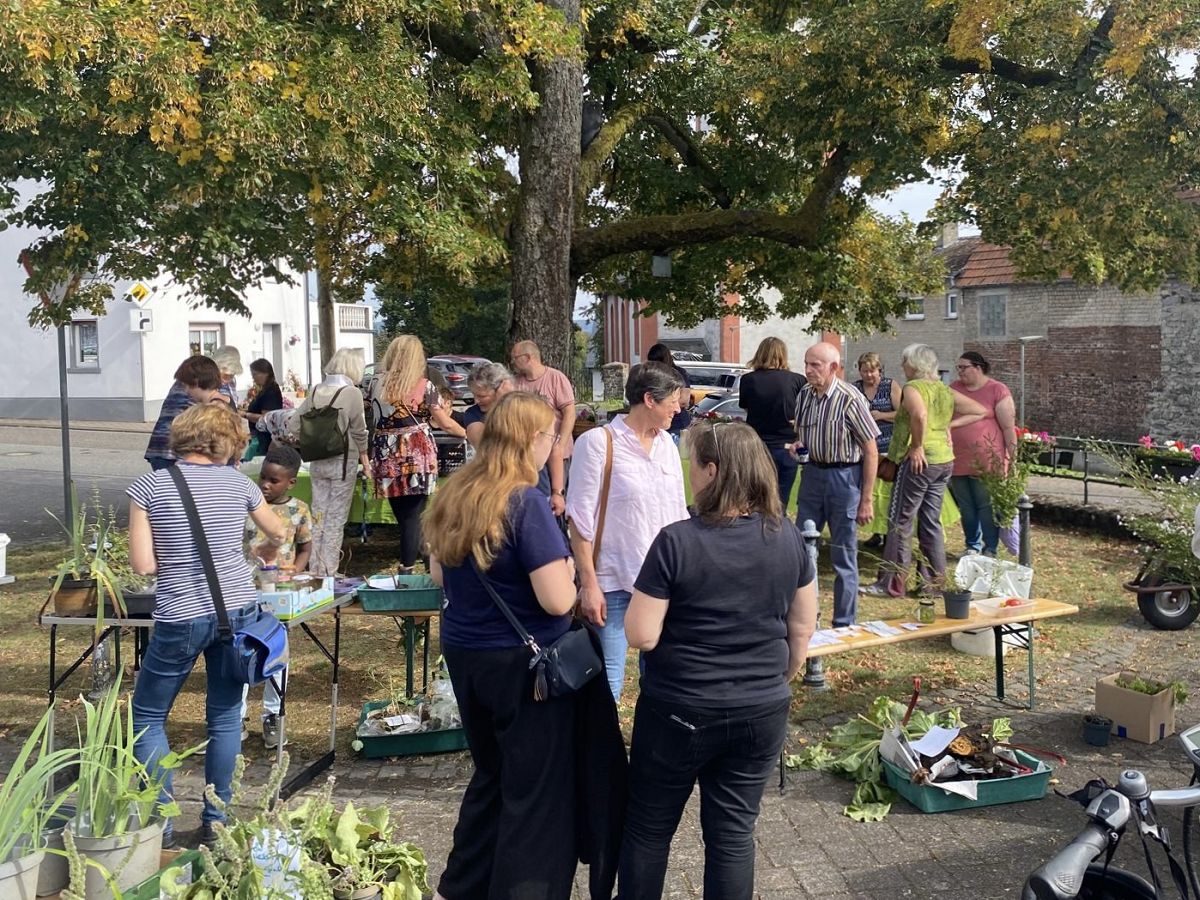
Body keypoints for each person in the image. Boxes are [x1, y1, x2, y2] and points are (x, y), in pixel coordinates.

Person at [620, 420, 817, 899]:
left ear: (712, 471)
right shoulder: (787, 536)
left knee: (648, 828)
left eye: (694, 465)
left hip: (680, 707)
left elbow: (641, 634)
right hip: (761, 706)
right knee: (732, 836)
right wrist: (778, 677)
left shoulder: (677, 541)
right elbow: (803, 626)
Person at [424, 392, 582, 899]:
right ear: (532, 439)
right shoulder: (525, 501)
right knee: (534, 789)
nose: (554, 447)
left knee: (490, 773)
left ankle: (464, 884)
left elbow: (437, 574)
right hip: (525, 665)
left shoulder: (457, 491)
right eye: (552, 437)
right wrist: (575, 575)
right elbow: (557, 601)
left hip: (467, 652)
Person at [127, 402, 288, 846]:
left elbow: (142, 564)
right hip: (235, 611)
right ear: (225, 444)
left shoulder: (150, 486)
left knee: (147, 717)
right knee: (222, 717)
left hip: (179, 613)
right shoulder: (240, 484)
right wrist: (260, 552)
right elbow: (278, 532)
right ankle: (217, 821)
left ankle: (159, 824)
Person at [567, 362, 689, 702]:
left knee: (664, 681)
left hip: (663, 584)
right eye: (673, 402)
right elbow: (579, 521)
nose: (678, 409)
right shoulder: (596, 443)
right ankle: (603, 755)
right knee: (609, 686)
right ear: (649, 400)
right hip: (614, 584)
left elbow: (677, 512)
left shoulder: (667, 443)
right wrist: (589, 584)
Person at [862, 345, 985, 598]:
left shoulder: (913, 387)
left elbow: (918, 414)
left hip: (919, 462)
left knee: (900, 521)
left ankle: (892, 584)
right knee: (930, 522)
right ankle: (932, 585)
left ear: (914, 365)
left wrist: (917, 446)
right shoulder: (944, 389)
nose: (903, 366)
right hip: (943, 461)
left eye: (905, 361)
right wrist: (945, 428)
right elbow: (978, 410)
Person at [790, 342, 879, 626]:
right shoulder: (804, 394)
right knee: (802, 550)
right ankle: (805, 618)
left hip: (845, 478)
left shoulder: (850, 398)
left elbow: (871, 450)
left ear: (833, 368)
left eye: (815, 365)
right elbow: (801, 435)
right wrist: (797, 447)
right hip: (812, 476)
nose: (808, 370)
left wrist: (866, 499)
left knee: (843, 554)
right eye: (806, 363)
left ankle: (843, 623)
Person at [368, 335, 465, 571]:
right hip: (416, 453)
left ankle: (426, 561)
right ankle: (408, 569)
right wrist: (467, 433)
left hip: (385, 453)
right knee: (414, 515)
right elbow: (444, 421)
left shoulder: (374, 383)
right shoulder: (425, 386)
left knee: (404, 517)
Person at [240, 443, 312, 748]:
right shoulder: (247, 505)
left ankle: (272, 715)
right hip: (245, 589)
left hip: (279, 593)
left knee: (276, 653)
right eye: (263, 478)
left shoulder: (299, 511)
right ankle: (236, 716)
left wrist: (294, 570)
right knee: (240, 651)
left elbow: (306, 547)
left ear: (291, 482)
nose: (266, 485)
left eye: (274, 480)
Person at [296, 348, 370, 576]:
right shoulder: (351, 393)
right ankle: (329, 569)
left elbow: (294, 422)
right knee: (336, 517)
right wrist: (365, 460)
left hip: (317, 460)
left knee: (318, 513)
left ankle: (315, 565)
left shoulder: (316, 390)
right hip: (343, 460)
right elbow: (359, 431)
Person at [949, 350, 1018, 556]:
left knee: (986, 507)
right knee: (967, 507)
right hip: (958, 460)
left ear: (978, 368)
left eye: (964, 367)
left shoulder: (997, 390)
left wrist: (1011, 459)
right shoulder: (953, 389)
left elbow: (1008, 427)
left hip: (988, 461)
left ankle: (990, 547)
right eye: (958, 368)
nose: (960, 372)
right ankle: (972, 545)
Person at [739, 336, 806, 507]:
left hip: (757, 446)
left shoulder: (748, 380)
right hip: (787, 446)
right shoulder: (798, 380)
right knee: (781, 500)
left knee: (756, 500)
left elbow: (747, 408)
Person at [511, 340, 574, 516]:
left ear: (528, 357)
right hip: (531, 453)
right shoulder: (517, 383)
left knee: (558, 500)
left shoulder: (555, 378)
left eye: (515, 358)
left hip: (557, 452)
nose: (513, 363)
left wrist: (560, 442)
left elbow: (569, 412)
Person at [144, 356, 224, 470]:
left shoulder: (183, 385)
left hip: (163, 449)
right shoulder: (193, 393)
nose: (186, 389)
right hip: (172, 452)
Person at [645, 343, 693, 441]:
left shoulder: (679, 373)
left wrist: (662, 405)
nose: (656, 365)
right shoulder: (651, 375)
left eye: (658, 361)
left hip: (677, 425)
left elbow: (684, 400)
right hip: (656, 424)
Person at [463, 362, 516, 449]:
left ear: (500, 392)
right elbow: (485, 446)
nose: (476, 401)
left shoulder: (521, 409)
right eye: (474, 395)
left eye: (482, 396)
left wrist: (505, 402)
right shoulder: (472, 414)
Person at [240, 359, 284, 456]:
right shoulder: (265, 389)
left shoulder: (271, 392)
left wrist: (245, 414)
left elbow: (265, 418)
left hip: (265, 437)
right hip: (260, 435)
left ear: (266, 373)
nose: (253, 378)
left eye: (255, 374)